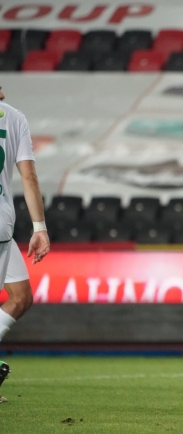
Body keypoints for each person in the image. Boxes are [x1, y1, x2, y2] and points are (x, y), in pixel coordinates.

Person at [0, 86, 50, 403]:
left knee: (21, 296)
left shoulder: (15, 117)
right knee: (20, 297)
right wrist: (39, 227)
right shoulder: (14, 119)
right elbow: (28, 176)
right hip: (1, 224)